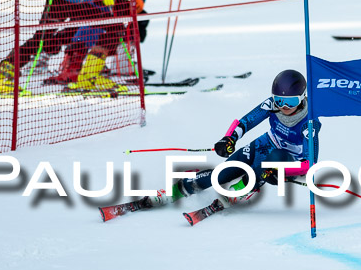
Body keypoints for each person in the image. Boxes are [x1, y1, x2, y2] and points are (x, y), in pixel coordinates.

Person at [137, 70, 322, 210]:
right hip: (264, 144)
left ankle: (244, 188)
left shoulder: (309, 123)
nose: (283, 107)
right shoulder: (271, 105)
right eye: (279, 100)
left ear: (303, 98)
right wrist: (229, 138)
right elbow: (246, 122)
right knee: (222, 174)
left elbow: (309, 163)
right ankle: (177, 191)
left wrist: (282, 171)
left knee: (273, 159)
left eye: (290, 102)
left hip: (287, 159)